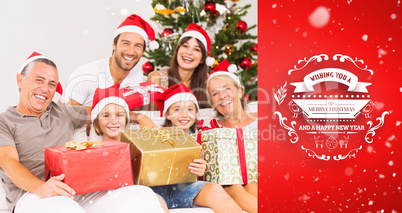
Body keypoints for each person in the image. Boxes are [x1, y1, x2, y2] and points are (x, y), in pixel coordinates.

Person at [0, 52, 164, 213]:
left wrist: (140, 117)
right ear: (20, 80)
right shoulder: (4, 121)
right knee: (65, 209)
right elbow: (9, 163)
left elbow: (104, 111)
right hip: (33, 194)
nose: (45, 89)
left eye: (52, 84)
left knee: (142, 195)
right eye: (39, 80)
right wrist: (41, 187)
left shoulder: (63, 112)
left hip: (74, 191)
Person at [61, 14, 159, 141]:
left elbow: (125, 119)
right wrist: (138, 117)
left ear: (143, 51)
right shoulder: (87, 74)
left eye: (138, 46)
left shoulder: (137, 76)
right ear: (114, 44)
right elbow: (64, 113)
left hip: (113, 142)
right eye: (126, 43)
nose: (131, 51)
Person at [153, 83, 243, 212]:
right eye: (177, 110)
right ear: (167, 114)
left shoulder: (201, 139)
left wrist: (201, 171)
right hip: (157, 190)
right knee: (156, 204)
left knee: (215, 189)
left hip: (185, 188)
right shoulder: (155, 136)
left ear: (195, 113)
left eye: (190, 109)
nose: (184, 115)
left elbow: (210, 172)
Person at [202, 59, 258, 213]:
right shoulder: (210, 131)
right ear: (212, 101)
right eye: (215, 93)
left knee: (252, 185)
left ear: (240, 92)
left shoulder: (262, 122)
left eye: (227, 89)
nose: (222, 96)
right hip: (228, 186)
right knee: (234, 187)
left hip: (259, 181)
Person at [147, 23, 215, 109]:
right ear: (177, 50)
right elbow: (150, 117)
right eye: (185, 46)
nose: (189, 52)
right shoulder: (156, 79)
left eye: (196, 49)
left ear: (202, 59)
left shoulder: (209, 83)